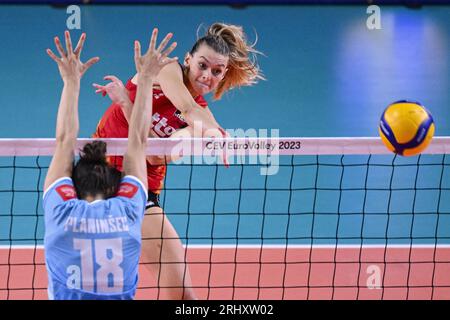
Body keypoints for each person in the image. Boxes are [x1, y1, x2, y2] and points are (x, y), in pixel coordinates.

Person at [93, 22, 264, 300]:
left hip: (140, 194)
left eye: (217, 71)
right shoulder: (166, 69)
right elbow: (187, 106)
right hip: (98, 178)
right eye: (202, 65)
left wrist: (127, 104)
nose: (207, 75)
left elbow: (156, 154)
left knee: (183, 296)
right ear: (188, 60)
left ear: (223, 76)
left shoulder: (198, 122)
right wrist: (212, 130)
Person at [43, 29, 177, 299]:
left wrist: (71, 81)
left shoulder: (61, 213)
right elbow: (139, 140)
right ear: (115, 187)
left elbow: (63, 140)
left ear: (74, 188)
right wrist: (148, 77)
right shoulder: (128, 211)